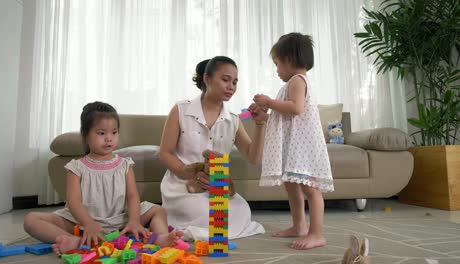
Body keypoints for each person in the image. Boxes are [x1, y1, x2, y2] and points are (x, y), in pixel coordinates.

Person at [23, 102, 182, 256]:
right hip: (81, 222)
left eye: (114, 132)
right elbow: (73, 202)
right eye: (101, 133)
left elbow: (133, 196)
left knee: (157, 210)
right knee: (31, 219)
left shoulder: (124, 165)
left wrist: (134, 220)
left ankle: (160, 237)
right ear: (86, 135)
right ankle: (75, 241)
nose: (109, 138)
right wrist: (89, 224)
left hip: (119, 220)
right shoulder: (76, 167)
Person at [159, 56, 267, 241]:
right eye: (225, 80)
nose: (231, 86)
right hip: (183, 186)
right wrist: (188, 173)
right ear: (207, 79)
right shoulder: (181, 110)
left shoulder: (233, 120)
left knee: (242, 209)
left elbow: (253, 157)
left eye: (234, 82)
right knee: (207, 212)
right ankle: (199, 227)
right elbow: (165, 153)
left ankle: (209, 229)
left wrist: (260, 126)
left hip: (216, 189)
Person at [252, 33, 334, 250]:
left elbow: (296, 108)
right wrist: (265, 117)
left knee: (311, 189)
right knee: (291, 187)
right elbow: (286, 118)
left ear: (289, 59)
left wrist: (269, 101)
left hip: (303, 148)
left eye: (277, 63)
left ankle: (317, 233)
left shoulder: (297, 81)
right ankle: (299, 226)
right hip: (293, 145)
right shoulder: (291, 84)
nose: (276, 69)